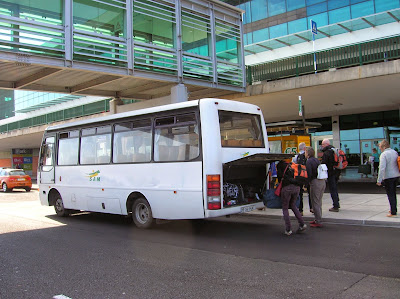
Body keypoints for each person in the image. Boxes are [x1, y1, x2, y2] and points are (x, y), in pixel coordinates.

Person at [277, 160, 307, 236]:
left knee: (285, 207)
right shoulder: (292, 165)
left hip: (287, 188)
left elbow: (280, 177)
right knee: (293, 205)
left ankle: (288, 229)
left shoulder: (280, 165)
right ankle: (302, 224)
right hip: (297, 188)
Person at [376, 140, 400, 217]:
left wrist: (379, 180)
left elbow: (382, 168)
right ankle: (393, 209)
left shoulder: (384, 155)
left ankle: (393, 212)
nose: (380, 149)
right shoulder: (394, 152)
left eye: (380, 147)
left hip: (388, 177)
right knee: (393, 193)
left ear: (384, 146)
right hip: (396, 175)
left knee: (390, 194)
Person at [305, 147, 326, 227]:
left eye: (305, 152)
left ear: (308, 153)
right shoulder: (317, 160)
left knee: (315, 202)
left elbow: (309, 174)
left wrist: (306, 185)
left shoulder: (309, 161)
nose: (305, 154)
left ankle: (318, 221)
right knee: (319, 201)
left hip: (315, 182)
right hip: (322, 181)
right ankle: (318, 218)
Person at [321, 139, 341, 212]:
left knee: (332, 189)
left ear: (326, 144)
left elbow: (325, 164)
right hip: (336, 172)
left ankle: (335, 205)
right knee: (335, 188)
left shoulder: (327, 152)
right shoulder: (334, 150)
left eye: (323, 144)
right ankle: (337, 202)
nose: (322, 146)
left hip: (331, 173)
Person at [292, 142, 312, 215]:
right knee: (310, 193)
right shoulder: (307, 156)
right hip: (307, 176)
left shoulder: (295, 156)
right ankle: (312, 207)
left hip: (299, 177)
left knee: (300, 194)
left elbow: (293, 167)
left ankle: (300, 210)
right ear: (304, 148)